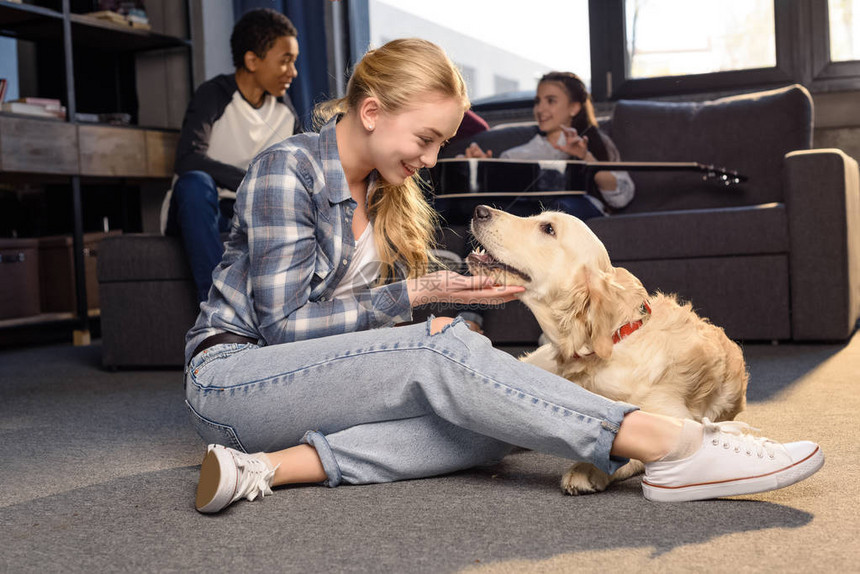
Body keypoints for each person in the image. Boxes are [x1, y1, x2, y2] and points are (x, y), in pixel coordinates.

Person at [184, 38, 823, 514]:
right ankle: (673, 445)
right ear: (373, 111)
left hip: (307, 395)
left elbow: (378, 327)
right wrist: (421, 298)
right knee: (443, 355)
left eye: (442, 144)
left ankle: (266, 468)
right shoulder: (285, 171)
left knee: (499, 419)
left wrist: (464, 296)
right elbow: (284, 328)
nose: (433, 160)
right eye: (427, 139)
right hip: (237, 380)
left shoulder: (387, 192)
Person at [162, 8, 302, 302]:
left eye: (294, 62)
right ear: (252, 60)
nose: (293, 72)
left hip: (240, 215)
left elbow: (299, 169)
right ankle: (219, 306)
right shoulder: (214, 95)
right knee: (195, 181)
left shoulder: (284, 110)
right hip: (197, 209)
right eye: (285, 61)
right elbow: (187, 158)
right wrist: (249, 181)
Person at [462, 71, 634, 220]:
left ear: (574, 108)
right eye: (538, 101)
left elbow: (621, 198)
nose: (540, 109)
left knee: (557, 210)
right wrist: (484, 168)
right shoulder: (518, 154)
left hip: (574, 210)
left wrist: (585, 156)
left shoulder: (597, 142)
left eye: (551, 101)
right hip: (530, 214)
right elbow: (501, 196)